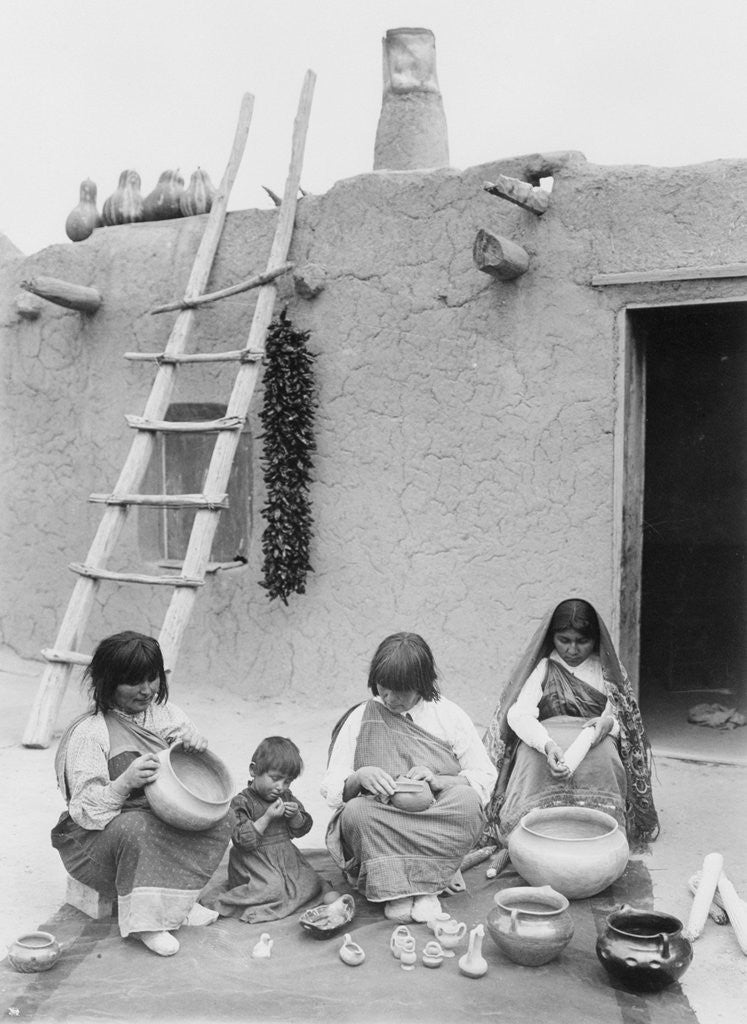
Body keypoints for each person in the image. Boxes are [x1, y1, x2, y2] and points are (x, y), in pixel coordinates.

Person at [52, 631, 232, 957]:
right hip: (97, 839)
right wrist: (124, 782)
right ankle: (146, 923)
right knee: (137, 827)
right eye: (134, 682)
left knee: (222, 815)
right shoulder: (92, 731)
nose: (147, 690)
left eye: (152, 678)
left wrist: (195, 745)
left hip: (153, 817)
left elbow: (190, 763)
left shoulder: (166, 714)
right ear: (108, 683)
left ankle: (178, 903)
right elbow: (85, 812)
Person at [322, 632, 497, 924]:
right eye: (383, 688)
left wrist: (440, 781)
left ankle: (427, 887)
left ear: (420, 684)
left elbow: (484, 777)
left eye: (399, 691)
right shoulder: (362, 717)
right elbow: (331, 787)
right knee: (354, 814)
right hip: (383, 816)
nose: (388, 698)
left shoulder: (448, 715)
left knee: (467, 803)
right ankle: (396, 889)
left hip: (434, 814)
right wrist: (359, 777)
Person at [482, 598, 659, 850]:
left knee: (606, 757)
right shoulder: (545, 667)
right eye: (564, 640)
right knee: (528, 758)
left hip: (593, 740)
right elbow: (518, 715)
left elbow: (622, 717)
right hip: (545, 740)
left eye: (582, 641)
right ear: (552, 638)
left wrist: (608, 725)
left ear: (595, 640)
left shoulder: (606, 672)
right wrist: (546, 745)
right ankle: (527, 828)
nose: (572, 649)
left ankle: (604, 827)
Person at [206, 736, 323, 922]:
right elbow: (242, 841)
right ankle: (222, 902)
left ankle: (280, 895)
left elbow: (301, 830)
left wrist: (295, 816)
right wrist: (267, 817)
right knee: (272, 889)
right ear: (254, 770)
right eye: (275, 778)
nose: (280, 787)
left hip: (284, 857)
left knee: (312, 881)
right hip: (252, 863)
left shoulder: (286, 796)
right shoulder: (241, 802)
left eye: (287, 781)